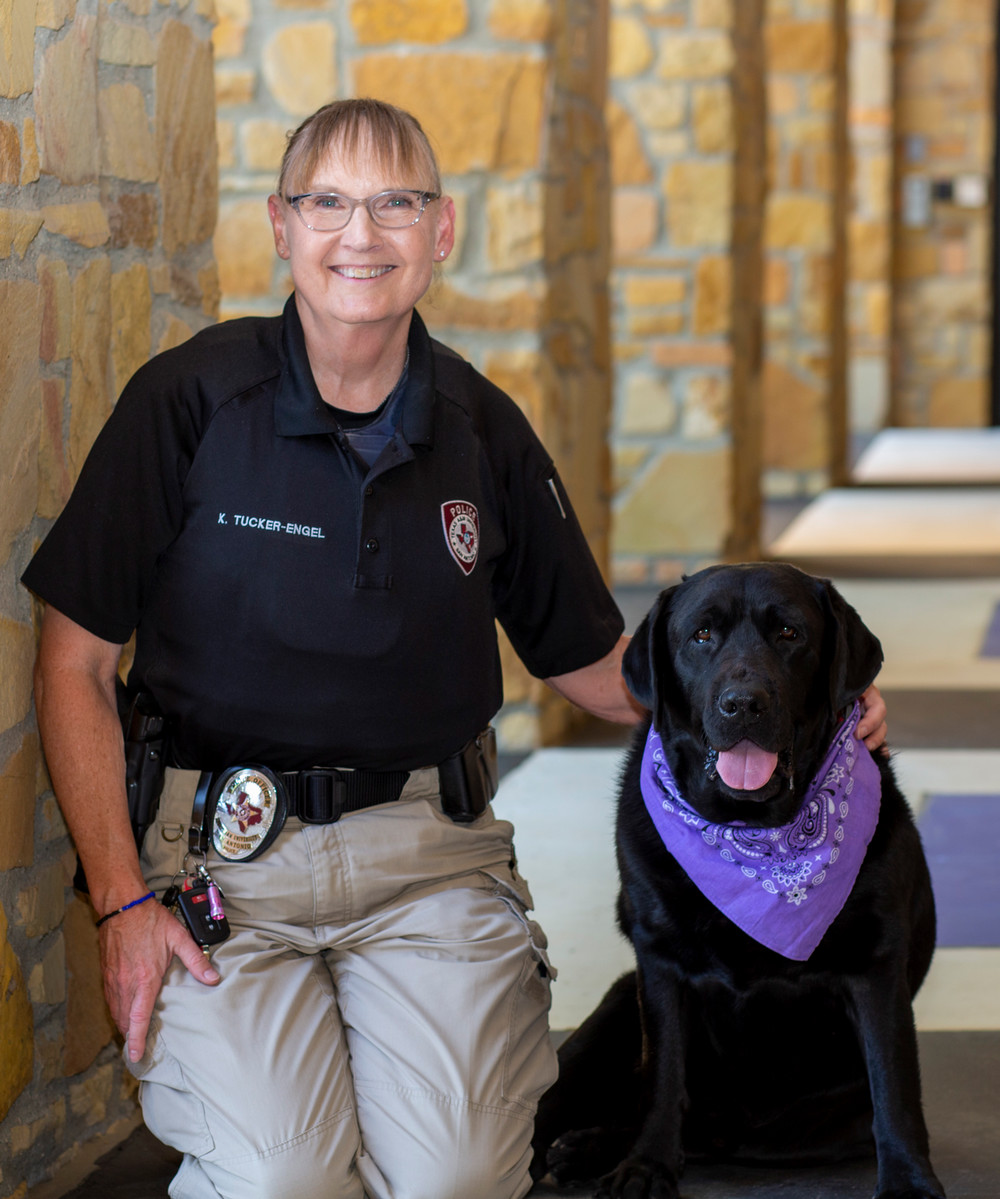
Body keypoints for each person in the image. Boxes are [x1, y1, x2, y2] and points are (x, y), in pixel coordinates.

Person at [24, 98, 887, 1199]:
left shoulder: (484, 428)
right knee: (287, 1177)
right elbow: (74, 663)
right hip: (217, 866)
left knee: (456, 1179)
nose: (360, 234)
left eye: (396, 202)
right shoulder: (186, 403)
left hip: (427, 862)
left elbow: (596, 663)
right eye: (327, 201)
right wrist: (120, 901)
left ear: (442, 231)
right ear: (278, 227)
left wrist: (804, 702)